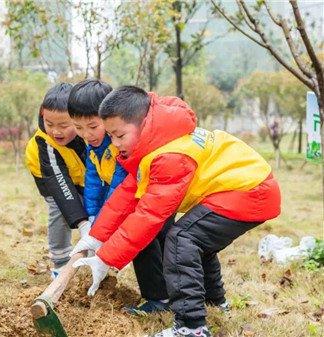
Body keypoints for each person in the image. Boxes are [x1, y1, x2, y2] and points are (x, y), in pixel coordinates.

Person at [72, 86, 281, 337]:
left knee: (182, 238)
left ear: (142, 123)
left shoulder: (169, 155)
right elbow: (127, 194)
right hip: (245, 188)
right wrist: (95, 237)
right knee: (197, 240)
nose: (114, 145)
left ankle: (191, 327)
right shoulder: (155, 143)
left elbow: (148, 216)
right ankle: (215, 303)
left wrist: (106, 258)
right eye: (111, 137)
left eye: (119, 136)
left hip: (248, 191)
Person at [67, 79, 174, 314]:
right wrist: (93, 215)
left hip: (151, 200)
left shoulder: (119, 144)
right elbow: (94, 180)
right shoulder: (94, 147)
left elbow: (120, 185)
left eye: (93, 126)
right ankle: (162, 295)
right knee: (149, 245)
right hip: (135, 203)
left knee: (159, 243)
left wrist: (107, 221)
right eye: (79, 127)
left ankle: (162, 297)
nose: (86, 134)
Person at [24, 83, 91, 278]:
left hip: (79, 175)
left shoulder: (85, 130)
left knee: (90, 208)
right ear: (42, 114)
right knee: (60, 210)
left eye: (63, 125)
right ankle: (60, 261)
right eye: (50, 124)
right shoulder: (44, 144)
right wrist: (82, 223)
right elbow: (61, 186)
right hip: (50, 178)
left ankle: (95, 253)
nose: (56, 131)